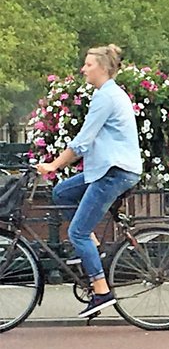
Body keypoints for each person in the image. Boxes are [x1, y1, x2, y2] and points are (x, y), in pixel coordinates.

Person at [36, 44, 143, 318]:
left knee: (77, 233)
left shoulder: (106, 97)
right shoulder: (108, 94)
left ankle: (101, 290)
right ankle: (92, 248)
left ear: (104, 68)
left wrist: (53, 165)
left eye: (88, 64)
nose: (83, 69)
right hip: (108, 169)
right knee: (62, 192)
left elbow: (83, 142)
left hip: (114, 172)